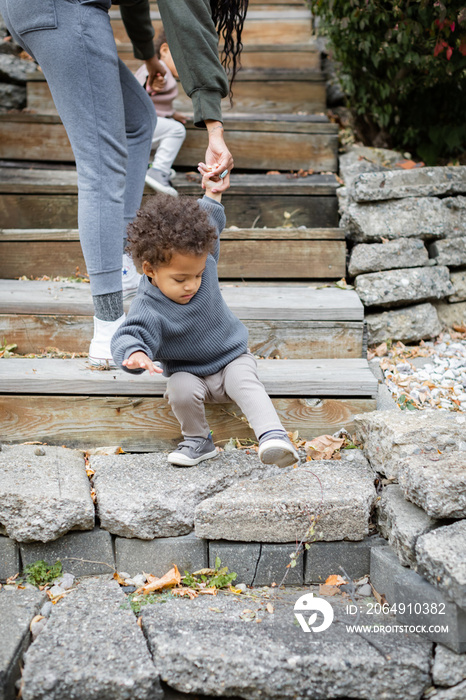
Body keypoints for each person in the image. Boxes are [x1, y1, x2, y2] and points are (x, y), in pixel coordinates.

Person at [0, 0, 246, 365]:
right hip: (64, 8)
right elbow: (185, 13)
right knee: (102, 162)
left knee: (137, 122)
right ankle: (108, 325)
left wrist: (148, 57)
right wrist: (213, 124)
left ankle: (124, 265)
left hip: (43, 9)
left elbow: (133, 1)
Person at [110, 174, 299, 468]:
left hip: (230, 359)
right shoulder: (147, 305)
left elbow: (209, 220)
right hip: (190, 373)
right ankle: (199, 441)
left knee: (244, 380)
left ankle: (274, 437)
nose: (192, 285)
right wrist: (134, 354)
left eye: (197, 276)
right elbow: (130, 334)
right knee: (179, 388)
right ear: (149, 269)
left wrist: (212, 190)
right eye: (180, 279)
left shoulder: (203, 258)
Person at [134, 30, 186, 198]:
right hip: (135, 122)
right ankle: (158, 170)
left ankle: (148, 166)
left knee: (166, 128)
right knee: (176, 130)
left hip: (142, 122)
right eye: (183, 58)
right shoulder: (159, 69)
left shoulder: (167, 73)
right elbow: (142, 87)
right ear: (164, 51)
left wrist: (173, 113)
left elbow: (158, 104)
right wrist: (152, 85)